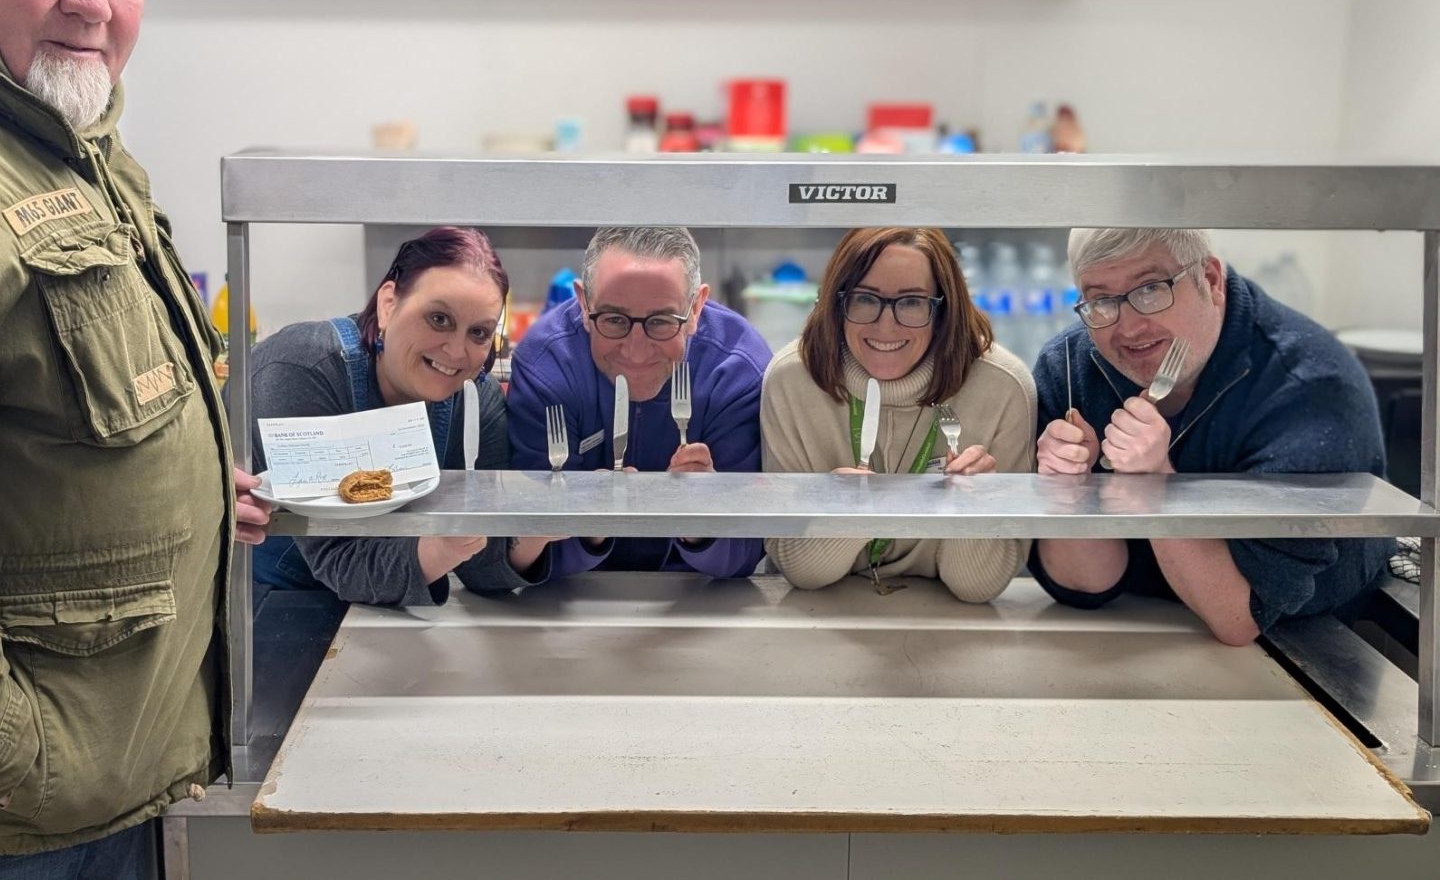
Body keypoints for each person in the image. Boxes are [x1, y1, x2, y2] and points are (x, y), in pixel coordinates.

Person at [0, 0, 270, 873]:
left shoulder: (45, 123)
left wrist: (186, 485)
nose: (94, 4)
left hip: (94, 786)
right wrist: (1, 752)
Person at [1030, 228, 1392, 645]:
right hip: (1134, 627)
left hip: (1308, 640)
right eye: (1102, 300)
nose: (1128, 327)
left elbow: (1238, 618)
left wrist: (1152, 485)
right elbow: (1085, 584)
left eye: (1150, 289)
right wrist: (1075, 487)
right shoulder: (1068, 369)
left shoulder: (1309, 390)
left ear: (1211, 280)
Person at [249, 227, 562, 607]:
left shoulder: (475, 402)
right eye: (439, 319)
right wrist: (440, 551)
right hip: (274, 601)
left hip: (382, 606)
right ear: (388, 304)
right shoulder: (303, 370)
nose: (456, 351)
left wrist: (538, 530)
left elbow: (481, 566)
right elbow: (339, 558)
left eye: (478, 332)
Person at [760, 227, 1036, 601]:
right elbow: (802, 571)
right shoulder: (792, 380)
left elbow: (977, 586)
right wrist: (846, 511)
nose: (886, 326)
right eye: (864, 299)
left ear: (944, 309)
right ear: (836, 303)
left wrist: (971, 507)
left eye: (911, 302)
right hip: (819, 613)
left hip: (952, 622)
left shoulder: (1002, 387)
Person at [508, 226, 772, 579]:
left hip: (696, 592)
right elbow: (524, 550)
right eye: (614, 320)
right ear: (584, 304)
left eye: (661, 322)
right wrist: (588, 526)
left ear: (695, 308)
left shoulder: (736, 369)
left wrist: (701, 521)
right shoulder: (547, 365)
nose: (635, 351)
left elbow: (745, 553)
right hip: (573, 592)